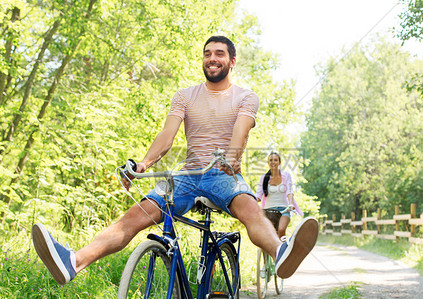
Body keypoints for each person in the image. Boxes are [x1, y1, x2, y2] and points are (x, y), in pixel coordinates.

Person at [31, 35, 318, 285]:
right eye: (207, 54)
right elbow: (167, 136)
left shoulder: (245, 97)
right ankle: (73, 262)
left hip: (222, 173)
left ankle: (280, 254)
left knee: (250, 211)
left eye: (219, 54)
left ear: (232, 61)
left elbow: (240, 133)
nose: (212, 59)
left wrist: (231, 159)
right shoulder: (185, 96)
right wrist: (144, 164)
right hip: (187, 176)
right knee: (136, 216)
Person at [255, 151, 302, 240]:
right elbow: (258, 195)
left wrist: (291, 203)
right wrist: (250, 202)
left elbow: (289, 191)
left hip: (283, 209)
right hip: (268, 210)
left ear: (279, 162)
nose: (273, 162)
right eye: (271, 160)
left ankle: (282, 252)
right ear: (268, 163)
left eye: (275, 160)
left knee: (281, 229)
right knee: (268, 234)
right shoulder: (264, 177)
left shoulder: (286, 175)